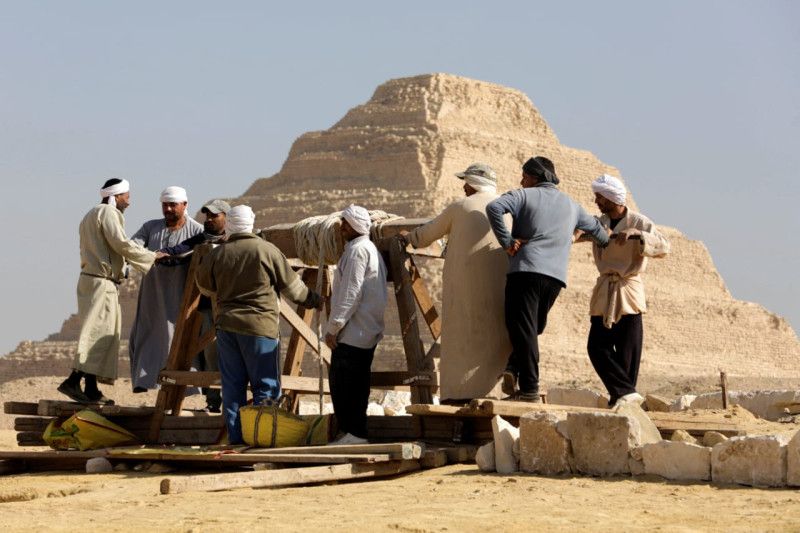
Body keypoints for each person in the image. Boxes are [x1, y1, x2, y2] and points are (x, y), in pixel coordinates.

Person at [486, 157, 609, 402]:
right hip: (555, 278)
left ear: (534, 177)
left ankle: (529, 389)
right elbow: (600, 234)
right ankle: (513, 367)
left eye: (524, 176)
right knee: (533, 327)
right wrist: (572, 236)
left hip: (526, 270)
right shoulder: (572, 206)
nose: (521, 181)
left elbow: (493, 208)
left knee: (522, 328)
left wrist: (508, 242)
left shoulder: (524, 195)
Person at [196, 205, 322, 445]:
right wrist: (315, 299)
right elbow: (294, 290)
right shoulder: (267, 250)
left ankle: (237, 440)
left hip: (226, 327)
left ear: (230, 224)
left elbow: (205, 286)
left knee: (232, 388)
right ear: (251, 223)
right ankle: (263, 439)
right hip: (260, 329)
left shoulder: (217, 254)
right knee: (265, 386)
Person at [401, 163, 511, 403]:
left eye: (466, 183)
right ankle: (497, 394)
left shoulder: (460, 207)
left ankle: (459, 396)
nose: (463, 187)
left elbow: (425, 235)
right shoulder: (509, 210)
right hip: (503, 290)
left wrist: (406, 239)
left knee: (463, 342)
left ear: (473, 185)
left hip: (464, 290)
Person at [58, 178, 156, 404]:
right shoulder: (109, 213)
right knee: (99, 334)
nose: (128, 202)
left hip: (91, 281)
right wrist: (151, 257)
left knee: (101, 333)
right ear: (117, 195)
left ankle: (91, 389)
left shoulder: (90, 215)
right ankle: (73, 381)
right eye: (127, 197)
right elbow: (121, 244)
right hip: (102, 283)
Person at [583, 174, 670, 407]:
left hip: (628, 289)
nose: (596, 201)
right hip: (605, 289)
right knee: (596, 347)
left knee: (628, 353)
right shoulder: (598, 222)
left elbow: (664, 246)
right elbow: (578, 234)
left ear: (613, 198)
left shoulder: (639, 222)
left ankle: (620, 400)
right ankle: (627, 394)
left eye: (600, 197)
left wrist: (638, 235)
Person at [156, 199, 231, 412]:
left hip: (231, 307)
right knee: (208, 355)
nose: (209, 220)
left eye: (214, 216)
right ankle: (214, 401)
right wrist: (164, 255)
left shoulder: (235, 240)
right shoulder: (202, 239)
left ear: (227, 217)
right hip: (206, 307)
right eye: (207, 216)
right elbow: (180, 251)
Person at [128, 186, 203, 392]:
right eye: (165, 205)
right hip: (153, 294)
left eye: (173, 205)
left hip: (181, 295)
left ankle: (186, 389)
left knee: (179, 339)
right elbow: (132, 247)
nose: (168, 209)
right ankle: (144, 382)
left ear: (185, 205)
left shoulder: (196, 231)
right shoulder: (150, 227)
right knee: (145, 335)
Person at [324, 205, 388, 445]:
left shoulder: (357, 251)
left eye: (344, 224)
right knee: (355, 384)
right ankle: (354, 432)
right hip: (364, 329)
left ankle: (354, 433)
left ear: (353, 227)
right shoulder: (365, 248)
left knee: (344, 385)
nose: (341, 228)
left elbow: (350, 294)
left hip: (354, 331)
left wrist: (333, 328)